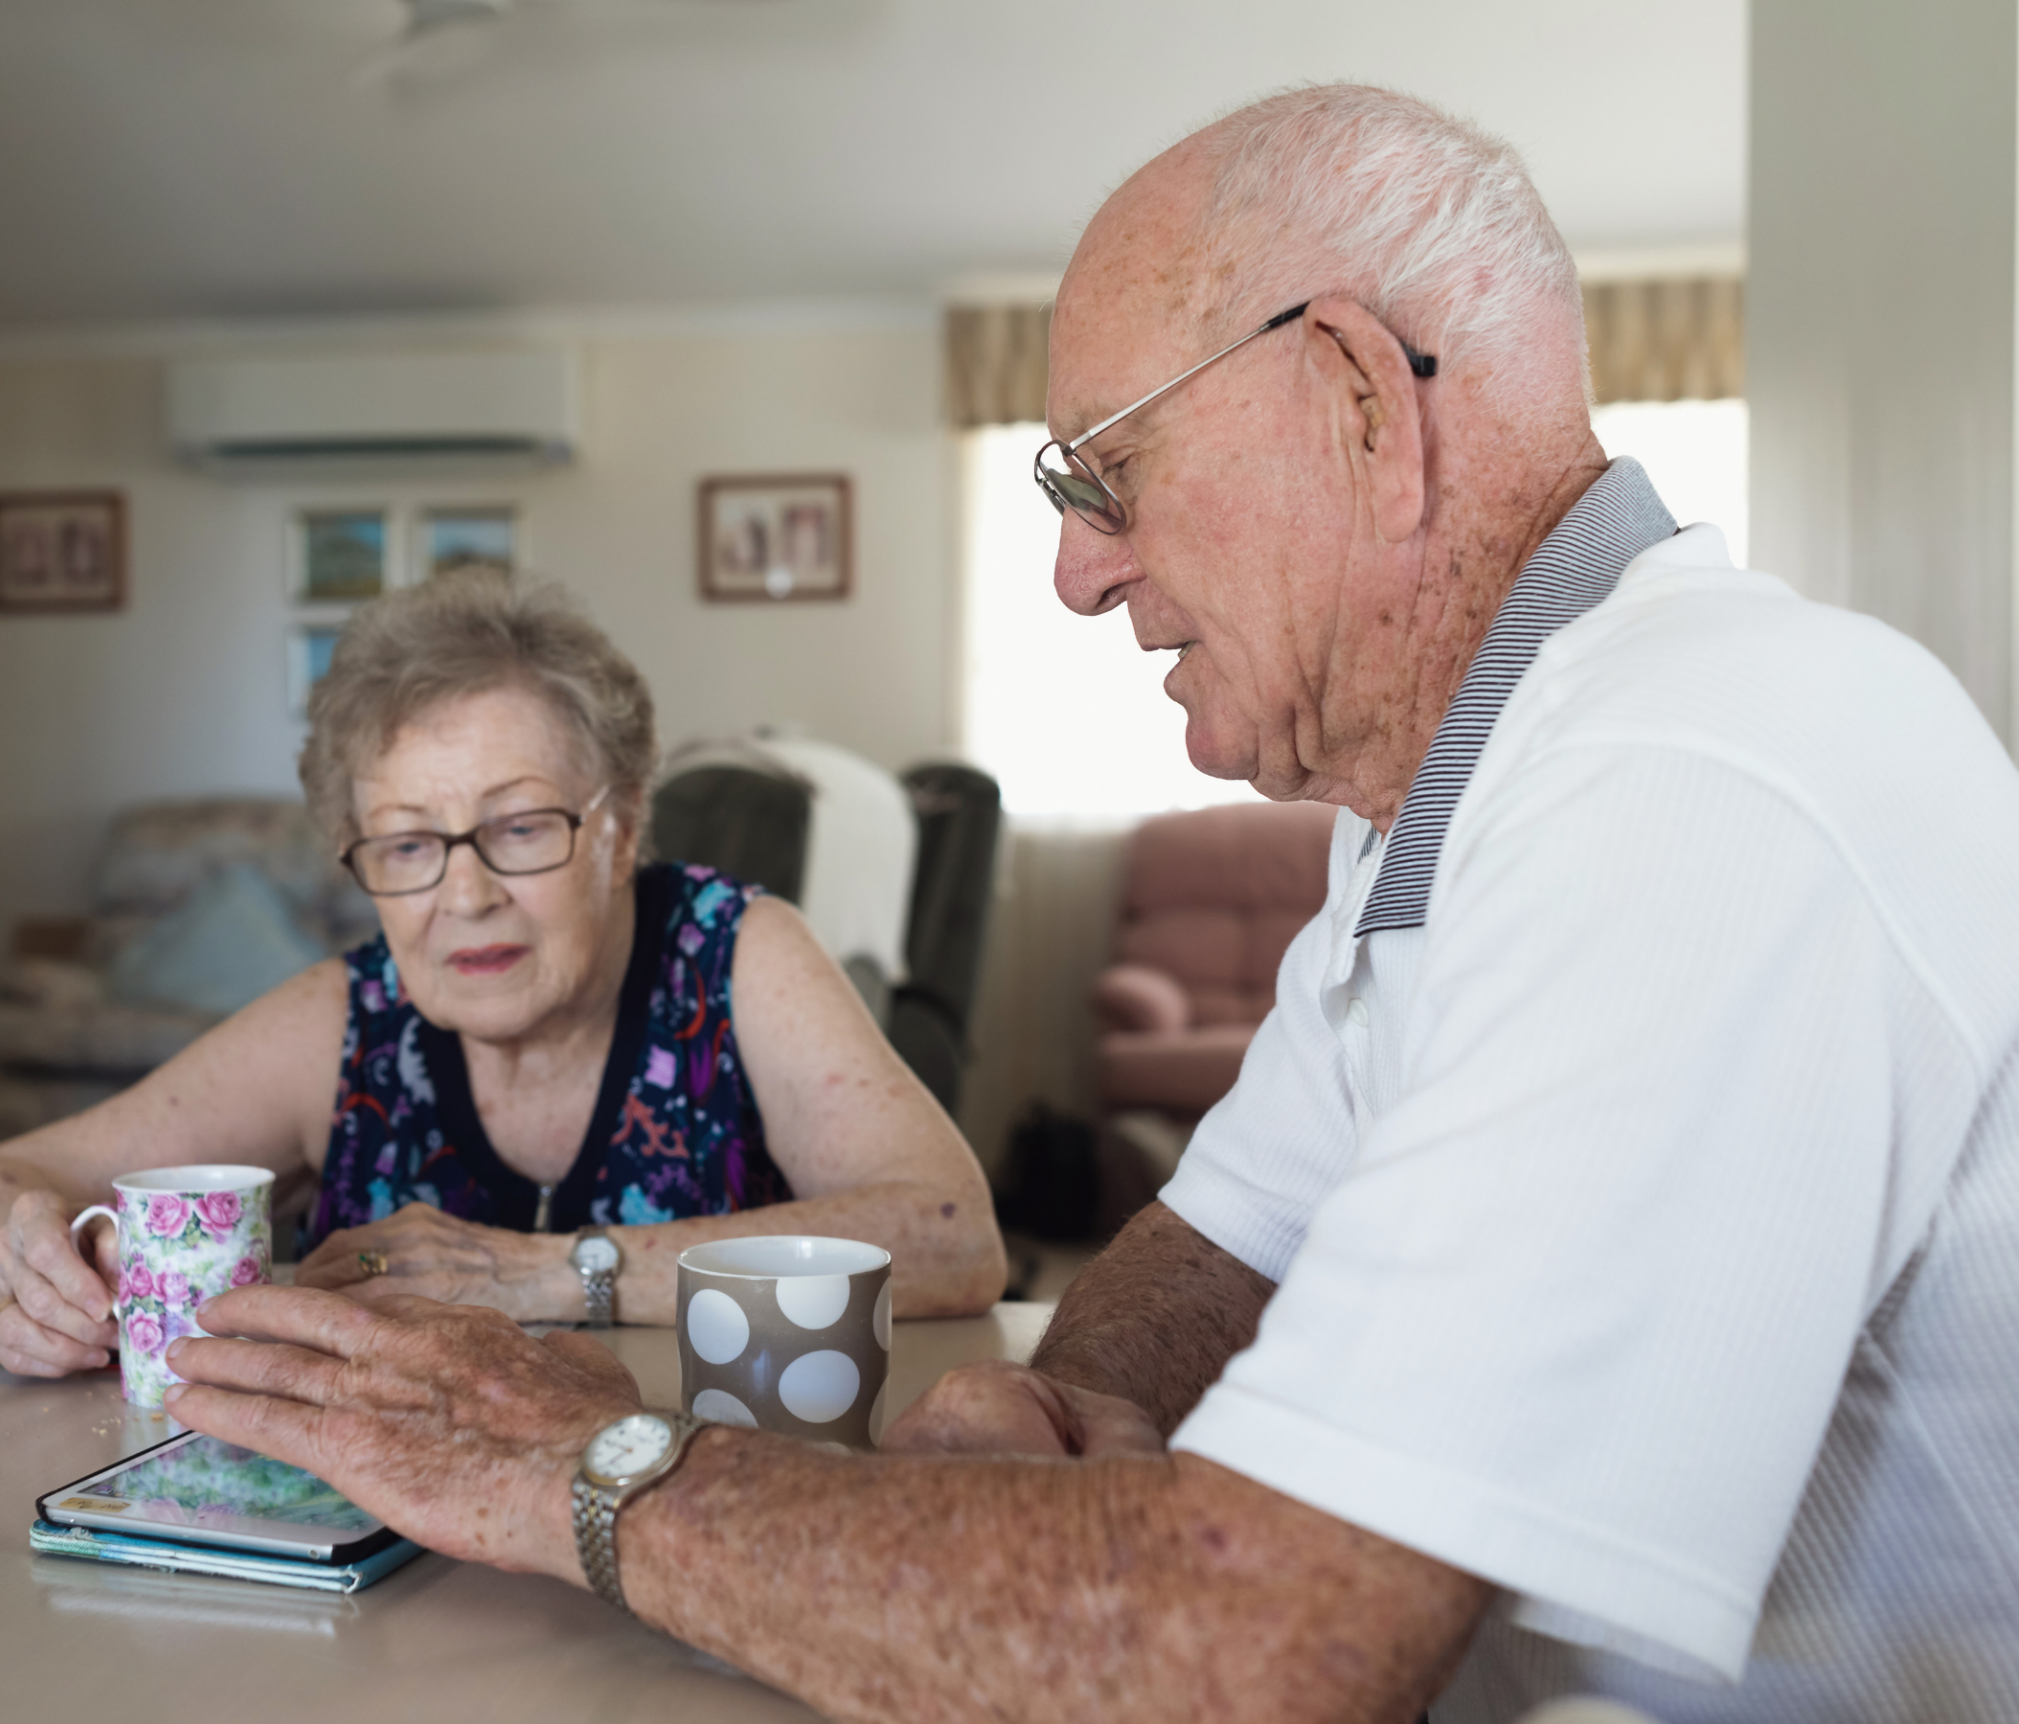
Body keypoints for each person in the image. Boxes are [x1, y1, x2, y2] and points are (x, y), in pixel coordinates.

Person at [148, 84, 2019, 1724]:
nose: (1074, 571)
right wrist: (1053, 1401)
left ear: (1359, 399)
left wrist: (577, 1462)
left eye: (1109, 474)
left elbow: (1261, 1656)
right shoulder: (1438, 803)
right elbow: (1221, 1239)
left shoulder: (1690, 777)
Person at [0, 573, 1005, 1374]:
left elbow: (952, 1235)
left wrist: (544, 1271)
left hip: (705, 1494)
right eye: (406, 844)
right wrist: (25, 1270)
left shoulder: (734, 952)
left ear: (619, 828)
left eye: (520, 827)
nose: (465, 893)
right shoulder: (346, 1017)